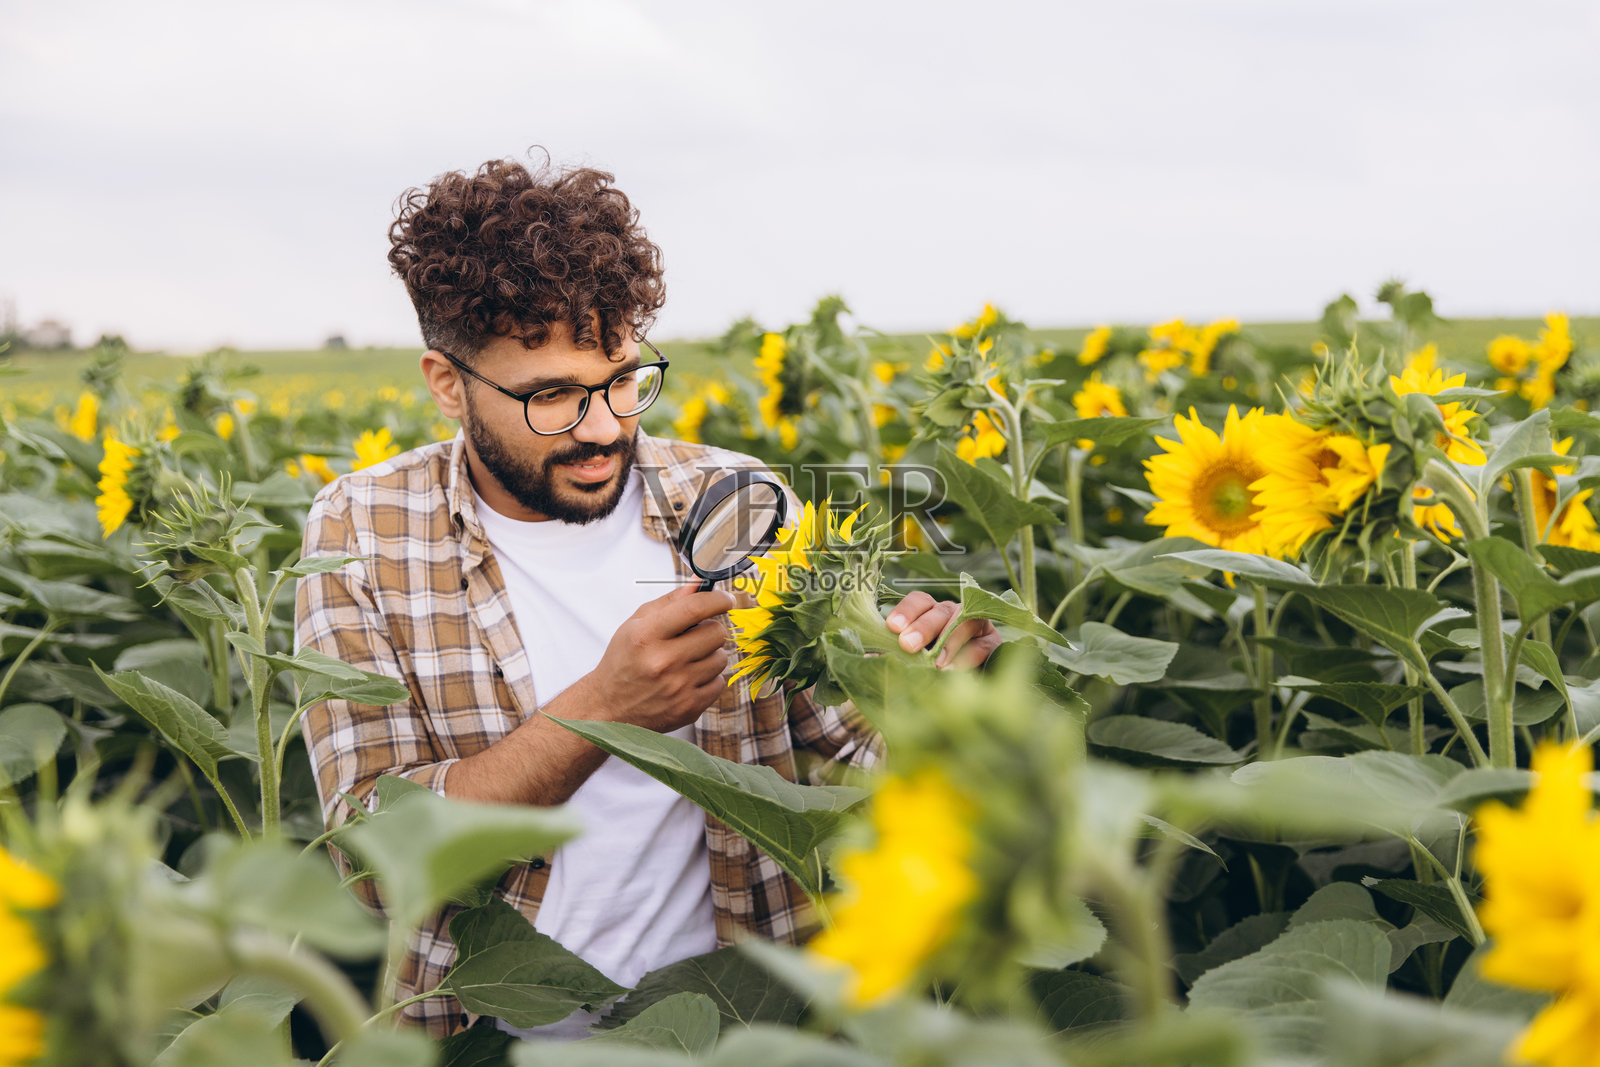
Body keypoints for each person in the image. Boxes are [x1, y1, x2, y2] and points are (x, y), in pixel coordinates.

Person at [294, 156, 1000, 1040]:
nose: (600, 426)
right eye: (551, 394)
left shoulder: (743, 498)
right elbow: (374, 856)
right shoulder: (363, 533)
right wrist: (605, 709)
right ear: (447, 383)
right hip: (492, 1042)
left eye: (622, 378)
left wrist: (924, 701)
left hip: (745, 1033)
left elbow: (842, 765)